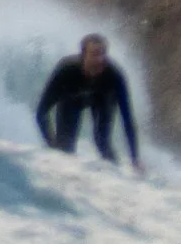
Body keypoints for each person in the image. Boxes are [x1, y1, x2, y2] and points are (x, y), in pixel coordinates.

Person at [35, 34, 141, 169]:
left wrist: (135, 158)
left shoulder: (114, 75)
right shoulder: (66, 70)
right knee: (64, 147)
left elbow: (127, 119)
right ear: (83, 55)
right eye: (95, 54)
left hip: (102, 99)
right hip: (71, 100)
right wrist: (51, 143)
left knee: (102, 142)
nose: (100, 59)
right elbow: (41, 112)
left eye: (103, 54)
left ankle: (116, 176)